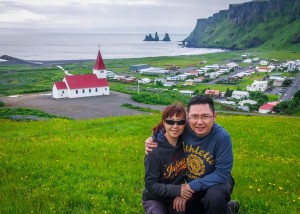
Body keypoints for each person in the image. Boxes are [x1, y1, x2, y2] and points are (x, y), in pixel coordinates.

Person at [146, 95, 239, 214]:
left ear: (214, 117)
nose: (199, 122)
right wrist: (153, 139)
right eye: (194, 117)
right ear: (188, 118)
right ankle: (229, 208)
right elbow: (168, 129)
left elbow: (222, 173)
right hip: (192, 182)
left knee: (214, 198)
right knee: (182, 208)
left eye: (205, 116)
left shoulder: (222, 137)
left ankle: (224, 208)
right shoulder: (184, 128)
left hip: (216, 182)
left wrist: (190, 187)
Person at [142, 103, 194, 214]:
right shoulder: (154, 149)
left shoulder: (186, 144)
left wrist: (182, 194)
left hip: (176, 196)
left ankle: (227, 208)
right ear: (164, 123)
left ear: (185, 124)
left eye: (180, 122)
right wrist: (178, 190)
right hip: (155, 198)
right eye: (170, 122)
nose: (175, 126)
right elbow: (150, 184)